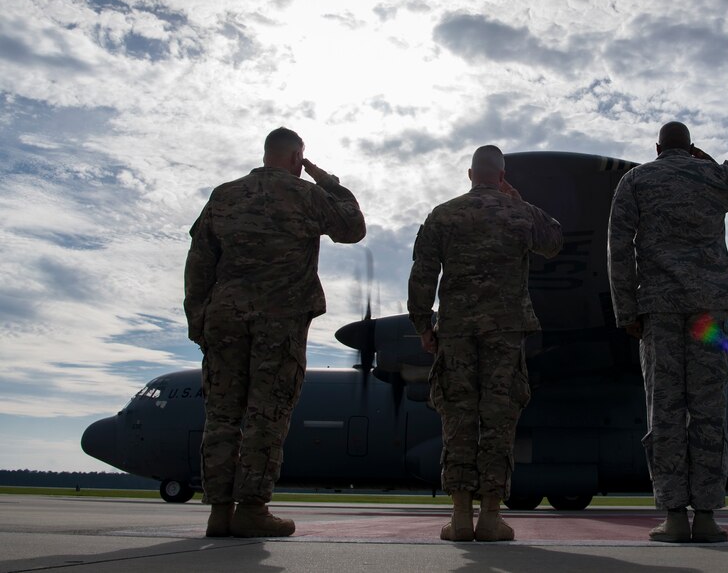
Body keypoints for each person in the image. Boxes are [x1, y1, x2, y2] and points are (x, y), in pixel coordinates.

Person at [607, 121, 728, 543]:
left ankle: (672, 516)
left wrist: (626, 311)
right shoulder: (714, 175)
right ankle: (706, 516)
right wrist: (718, 165)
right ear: (691, 147)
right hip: (708, 314)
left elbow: (618, 246)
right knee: (708, 408)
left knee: (665, 410)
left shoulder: (636, 180)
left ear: (656, 147)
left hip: (659, 311)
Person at [184, 127, 366, 538]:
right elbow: (353, 228)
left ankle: (218, 512)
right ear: (296, 158)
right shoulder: (308, 196)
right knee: (267, 413)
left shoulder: (224, 195)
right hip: (279, 320)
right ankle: (252, 508)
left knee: (222, 414)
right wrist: (329, 181)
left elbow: (198, 262)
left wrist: (198, 317)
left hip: (224, 318)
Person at [408, 145, 563, 542]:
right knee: (498, 419)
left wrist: (424, 325)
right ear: (501, 174)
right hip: (505, 331)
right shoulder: (519, 212)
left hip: (456, 331)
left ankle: (460, 517)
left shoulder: (444, 214)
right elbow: (554, 241)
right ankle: (492, 517)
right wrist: (518, 199)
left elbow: (422, 275)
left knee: (458, 418)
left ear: (469, 173)